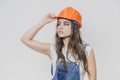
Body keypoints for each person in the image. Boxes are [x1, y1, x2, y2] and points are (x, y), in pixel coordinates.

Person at [20, 7, 97, 80]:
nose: (60, 27)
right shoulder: (53, 49)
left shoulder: (86, 51)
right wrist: (43, 21)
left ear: (74, 28)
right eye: (59, 23)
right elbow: (25, 39)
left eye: (66, 24)